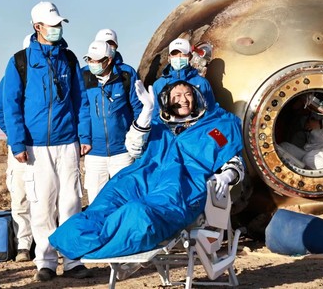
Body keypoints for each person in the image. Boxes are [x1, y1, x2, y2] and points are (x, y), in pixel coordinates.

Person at [48, 80, 245, 260]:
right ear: (167, 100)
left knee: (139, 213)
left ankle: (104, 240)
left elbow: (233, 160)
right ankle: (78, 238)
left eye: (188, 95)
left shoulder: (214, 127)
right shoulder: (156, 125)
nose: (183, 100)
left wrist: (227, 175)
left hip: (181, 185)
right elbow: (133, 147)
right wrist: (146, 112)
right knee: (104, 207)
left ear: (196, 98)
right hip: (140, 178)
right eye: (177, 96)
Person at [2, 1, 93, 282]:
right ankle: (46, 262)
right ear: (37, 27)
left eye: (59, 24)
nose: (57, 29)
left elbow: (81, 100)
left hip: (67, 143)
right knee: (42, 205)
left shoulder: (69, 59)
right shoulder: (20, 61)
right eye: (52, 25)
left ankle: (74, 260)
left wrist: (84, 135)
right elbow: (10, 104)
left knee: (71, 202)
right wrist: (17, 143)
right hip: (34, 147)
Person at [80, 38, 143, 203]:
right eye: (89, 59)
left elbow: (137, 108)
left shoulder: (126, 75)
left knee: (125, 200)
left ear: (108, 60)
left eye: (96, 60)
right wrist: (84, 139)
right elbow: (82, 111)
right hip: (94, 153)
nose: (92, 63)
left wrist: (135, 138)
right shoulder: (83, 76)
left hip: (122, 152)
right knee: (96, 201)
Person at [0, 34, 33, 263]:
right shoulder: (10, 78)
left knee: (48, 196)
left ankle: (47, 244)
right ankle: (24, 245)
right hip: (20, 148)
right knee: (21, 195)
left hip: (46, 145)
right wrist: (16, 136)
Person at [276, 93, 323, 170]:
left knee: (309, 159)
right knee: (284, 147)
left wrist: (320, 124)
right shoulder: (304, 120)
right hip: (314, 150)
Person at [152, 38, 216, 117]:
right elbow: (156, 114)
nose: (179, 57)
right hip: (168, 128)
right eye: (175, 54)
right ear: (169, 57)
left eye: (183, 54)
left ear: (190, 56)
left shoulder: (202, 83)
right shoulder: (158, 84)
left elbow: (211, 111)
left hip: (197, 127)